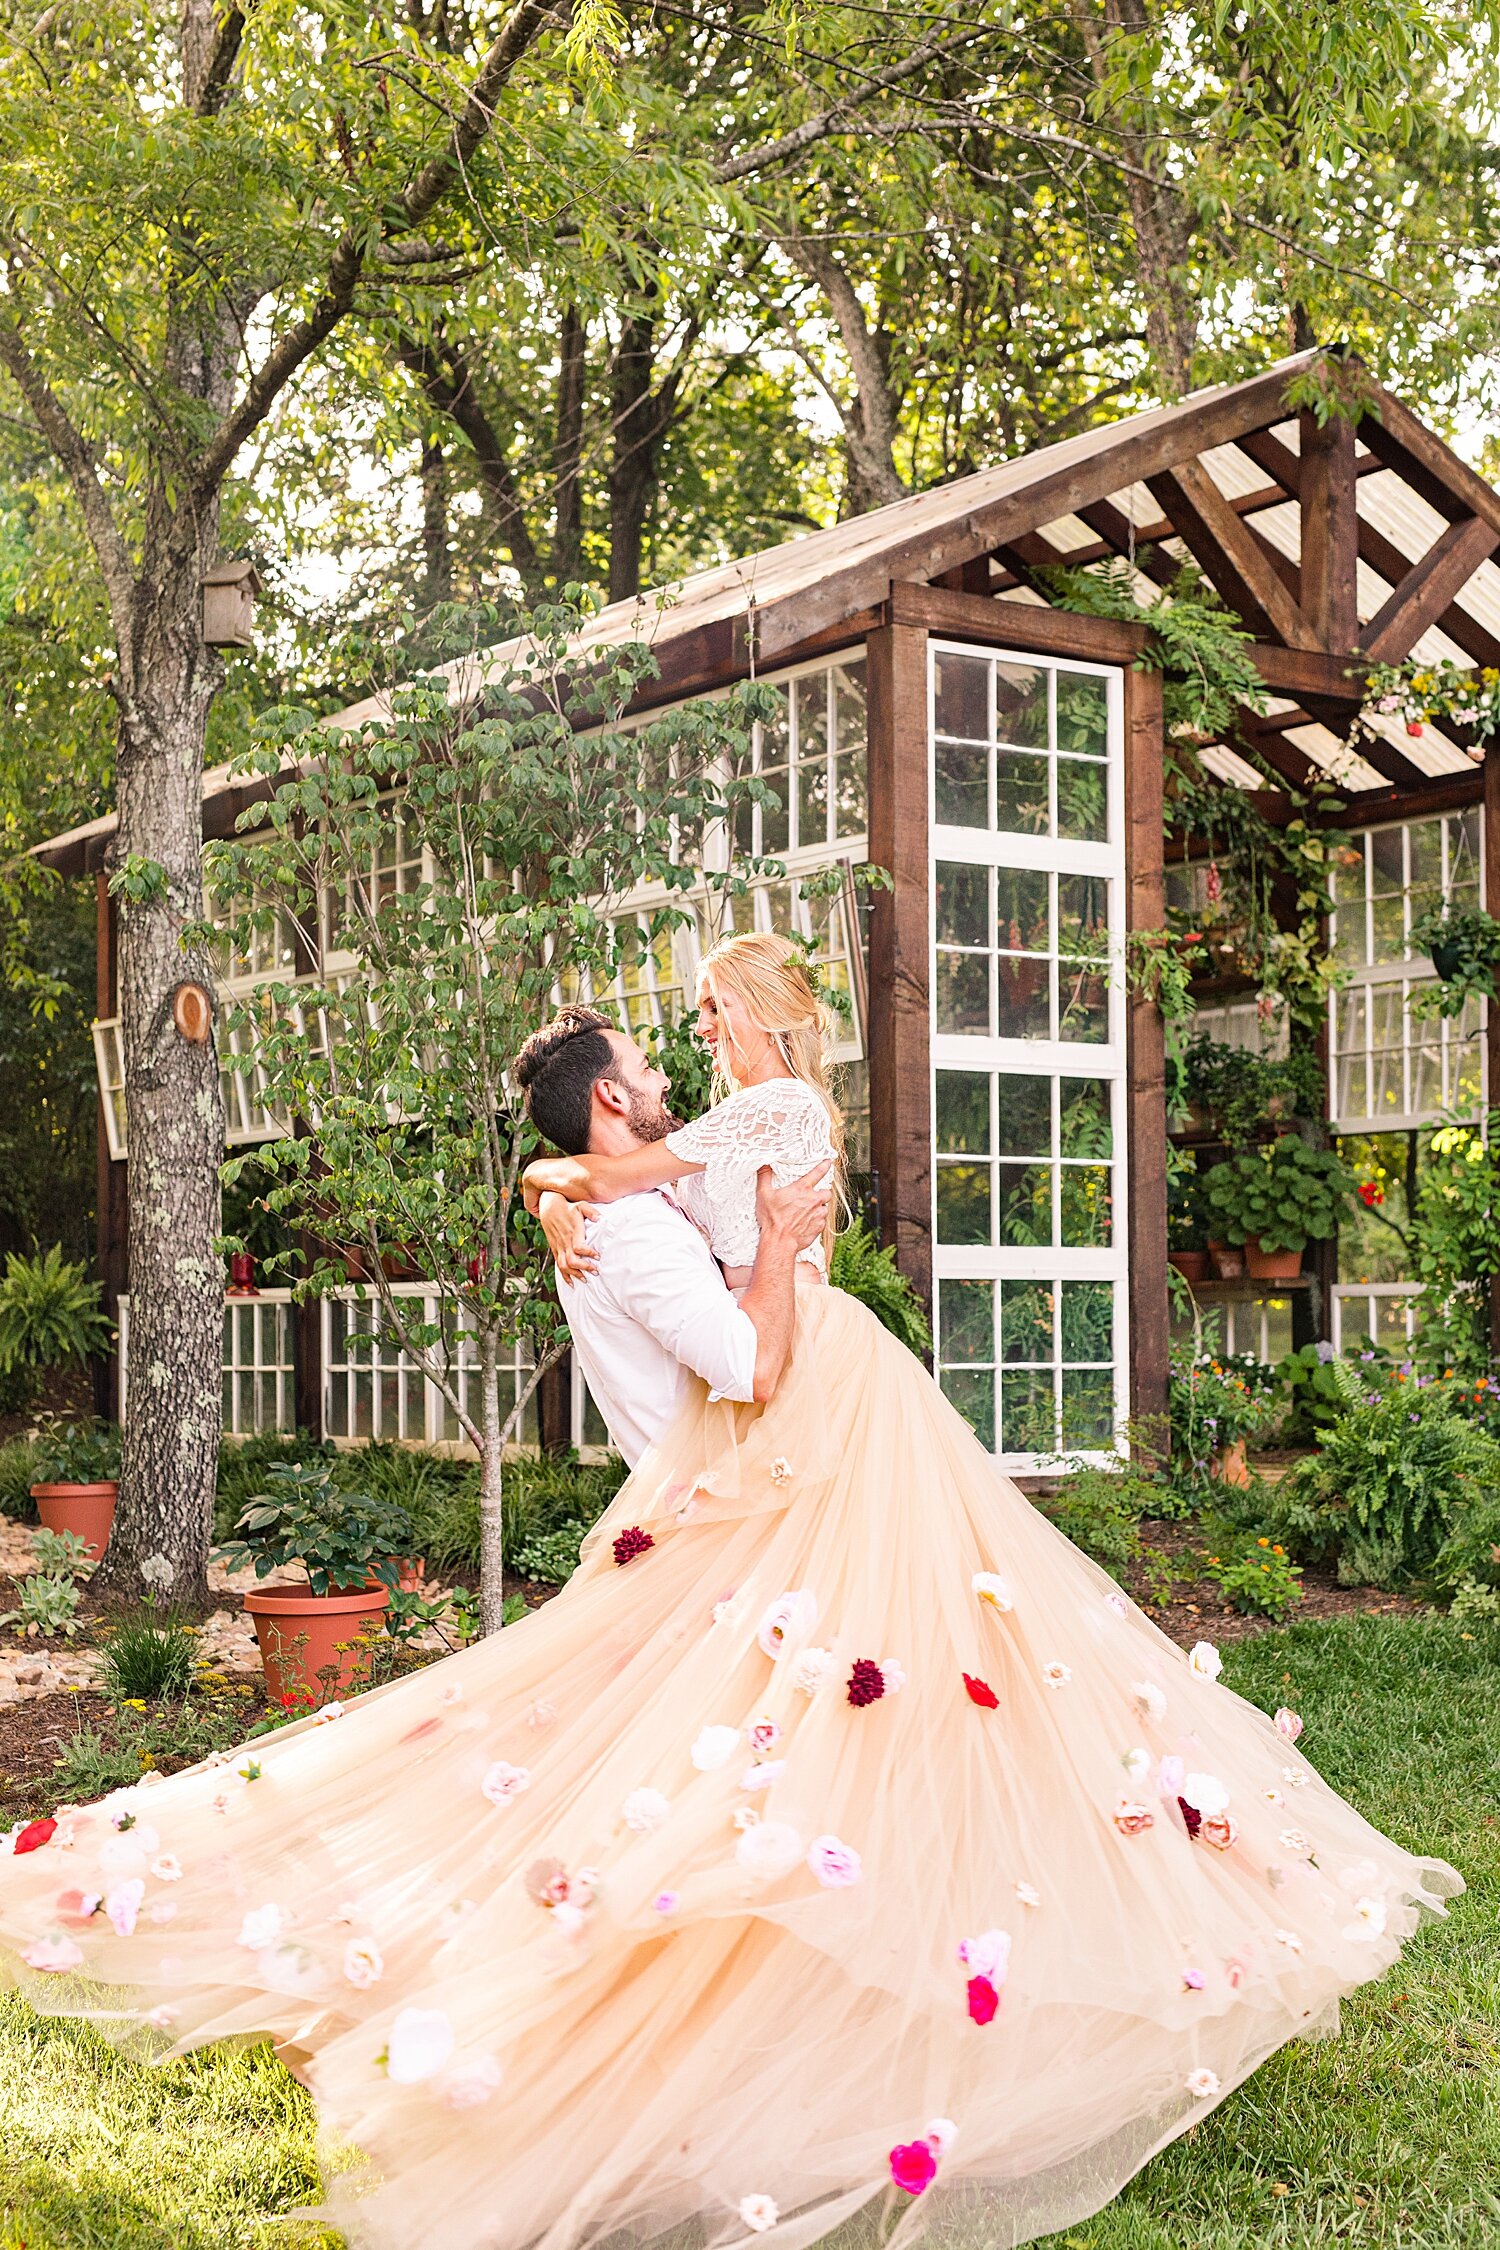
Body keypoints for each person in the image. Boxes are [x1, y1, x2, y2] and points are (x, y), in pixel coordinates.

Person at [0, 933, 1460, 2250]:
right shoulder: (675, 1170)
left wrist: (561, 1178)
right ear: (615, 1095)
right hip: (787, 1445)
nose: (681, 1037)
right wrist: (579, 1186)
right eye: (659, 1040)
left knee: (849, 1712)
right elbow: (716, 1309)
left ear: (756, 1020)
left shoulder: (760, 1119)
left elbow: (668, 1213)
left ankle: (877, 1950)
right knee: (831, 1718)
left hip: (805, 1440)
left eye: (701, 1012)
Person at [511, 1002, 833, 1466]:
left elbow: (600, 1179)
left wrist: (545, 1190)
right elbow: (753, 1371)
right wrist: (780, 1236)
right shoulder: (634, 1232)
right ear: (613, 1096)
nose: (664, 1080)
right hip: (720, 1497)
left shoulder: (636, 1205)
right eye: (646, 1068)